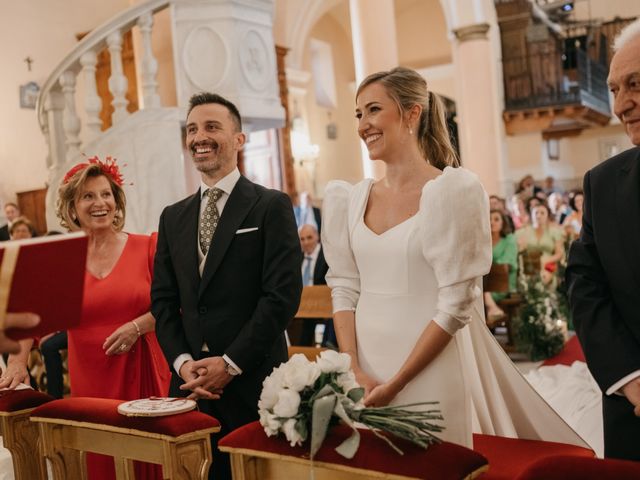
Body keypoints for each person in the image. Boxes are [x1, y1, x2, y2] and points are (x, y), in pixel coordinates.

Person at [322, 66, 587, 449]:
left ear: (413, 113)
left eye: (374, 110)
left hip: (427, 366)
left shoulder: (450, 192)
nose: (363, 124)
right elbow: (344, 287)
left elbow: (455, 304)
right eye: (359, 114)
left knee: (437, 464)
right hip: (364, 366)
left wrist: (398, 382)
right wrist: (353, 366)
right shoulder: (350, 200)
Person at [151, 93, 302, 480]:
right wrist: (183, 364)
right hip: (189, 387)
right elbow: (164, 302)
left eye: (212, 126)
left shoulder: (270, 206)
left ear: (239, 138)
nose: (200, 136)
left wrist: (230, 364)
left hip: (253, 379)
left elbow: (281, 297)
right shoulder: (173, 217)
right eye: (192, 129)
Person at [1, 158, 171, 480]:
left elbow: (173, 306)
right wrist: (17, 363)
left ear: (116, 201)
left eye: (106, 194)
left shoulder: (147, 246)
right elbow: (30, 317)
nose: (99, 203)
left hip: (143, 375)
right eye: (88, 196)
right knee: (99, 459)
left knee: (148, 461)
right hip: (91, 382)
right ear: (72, 208)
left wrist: (138, 326)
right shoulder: (62, 260)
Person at [566, 19, 640, 461]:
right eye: (614, 89)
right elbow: (585, 286)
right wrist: (631, 379)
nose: (622, 104)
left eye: (636, 84)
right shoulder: (603, 183)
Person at [297, 224, 332, 346]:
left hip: (321, 303)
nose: (306, 242)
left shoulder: (327, 255)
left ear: (317, 236)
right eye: (302, 239)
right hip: (299, 303)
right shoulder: (297, 258)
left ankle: (305, 348)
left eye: (309, 237)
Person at [484, 210, 518, 322]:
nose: (492, 222)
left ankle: (491, 308)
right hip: (485, 279)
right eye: (489, 219)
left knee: (479, 291)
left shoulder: (509, 239)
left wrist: (486, 268)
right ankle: (492, 308)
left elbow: (505, 264)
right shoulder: (484, 240)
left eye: (496, 219)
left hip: (503, 281)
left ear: (503, 222)